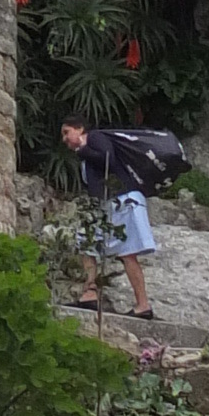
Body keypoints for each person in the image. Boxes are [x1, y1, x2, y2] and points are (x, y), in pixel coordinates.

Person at [61, 117, 160, 322]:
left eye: (66, 132)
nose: (64, 139)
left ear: (80, 129)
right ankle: (90, 292)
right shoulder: (84, 155)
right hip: (106, 205)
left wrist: (83, 148)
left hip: (123, 201)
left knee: (127, 252)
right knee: (86, 242)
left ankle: (143, 305)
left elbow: (107, 158)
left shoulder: (95, 137)